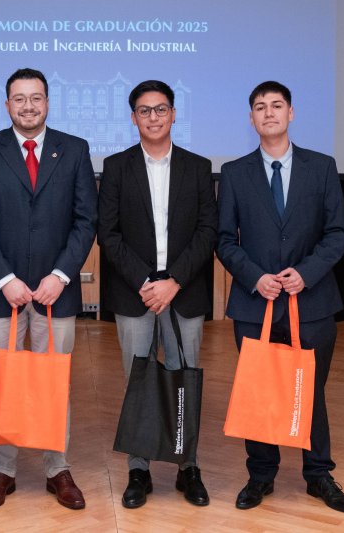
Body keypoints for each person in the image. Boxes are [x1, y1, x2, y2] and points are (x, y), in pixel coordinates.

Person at [217, 81, 344, 513]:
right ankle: (261, 476)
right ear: (251, 118)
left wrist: (307, 274)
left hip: (311, 303)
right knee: (259, 391)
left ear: (291, 113)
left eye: (277, 105)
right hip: (254, 304)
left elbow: (338, 233)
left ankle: (319, 475)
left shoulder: (322, 167)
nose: (269, 113)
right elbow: (224, 240)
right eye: (260, 107)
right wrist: (255, 277)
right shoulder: (235, 173)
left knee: (310, 390)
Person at [0, 67, 97, 512]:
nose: (28, 106)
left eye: (35, 98)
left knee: (53, 383)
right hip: (0, 294)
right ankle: (2, 470)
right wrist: (5, 279)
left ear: (47, 102)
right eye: (19, 99)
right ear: (7, 104)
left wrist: (60, 275)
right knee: (1, 384)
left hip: (56, 293)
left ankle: (57, 468)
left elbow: (85, 221)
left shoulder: (74, 149)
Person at [98, 80, 217, 509]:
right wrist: (146, 283)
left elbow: (208, 230)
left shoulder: (198, 167)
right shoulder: (116, 167)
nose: (153, 117)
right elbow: (108, 234)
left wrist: (175, 280)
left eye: (161, 109)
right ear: (134, 118)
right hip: (136, 293)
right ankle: (139, 470)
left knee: (186, 381)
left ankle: (188, 467)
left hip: (184, 291)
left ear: (173, 114)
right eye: (145, 110)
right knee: (139, 383)